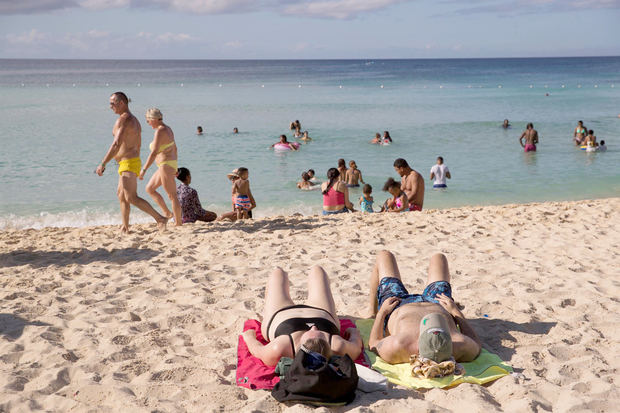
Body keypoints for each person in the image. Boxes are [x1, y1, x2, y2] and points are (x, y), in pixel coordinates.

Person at [367, 250, 482, 364]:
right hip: (438, 302)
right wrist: (455, 311)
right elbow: (476, 343)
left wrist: (381, 312)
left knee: (384, 255)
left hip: (396, 304)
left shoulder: (399, 346)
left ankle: (371, 310)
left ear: (417, 346)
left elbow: (373, 343)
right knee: (439, 257)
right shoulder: (460, 344)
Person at [242, 266, 363, 366]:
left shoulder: (280, 347)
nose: (313, 327)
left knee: (277, 273)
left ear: (301, 345)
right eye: (321, 334)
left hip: (282, 315)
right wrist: (353, 333)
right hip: (321, 313)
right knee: (318, 271)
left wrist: (249, 337)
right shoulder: (336, 345)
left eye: (311, 331)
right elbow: (356, 347)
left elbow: (258, 350)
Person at [95, 92, 167, 233]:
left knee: (131, 197)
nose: (110, 107)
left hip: (129, 162)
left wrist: (103, 163)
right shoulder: (132, 119)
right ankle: (125, 227)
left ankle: (160, 219)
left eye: (112, 103)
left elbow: (116, 144)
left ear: (122, 103)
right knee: (121, 195)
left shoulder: (125, 120)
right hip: (126, 162)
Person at [139, 108, 182, 227]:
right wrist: (175, 166)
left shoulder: (160, 131)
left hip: (166, 165)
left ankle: (178, 223)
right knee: (150, 189)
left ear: (153, 119)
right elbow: (175, 148)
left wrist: (144, 170)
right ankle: (168, 214)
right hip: (167, 165)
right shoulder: (167, 129)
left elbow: (153, 153)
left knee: (172, 196)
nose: (147, 123)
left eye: (148, 121)